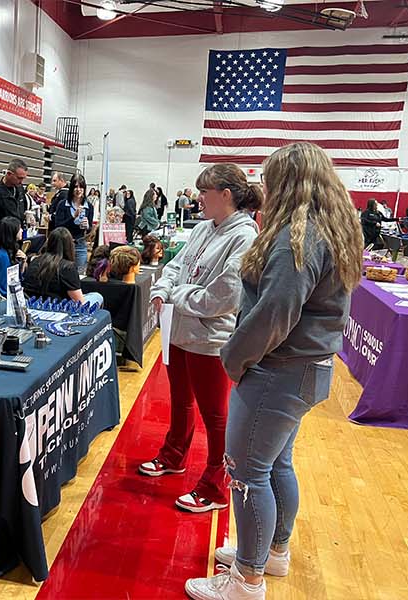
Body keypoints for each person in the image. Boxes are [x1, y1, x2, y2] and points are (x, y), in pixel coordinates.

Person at [186, 143, 362, 600]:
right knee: (276, 463)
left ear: (285, 183)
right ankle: (271, 551)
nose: (261, 188)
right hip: (305, 368)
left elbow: (273, 314)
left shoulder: (294, 237)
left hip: (277, 370)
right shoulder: (329, 230)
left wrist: (233, 358)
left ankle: (247, 578)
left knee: (247, 472)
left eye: (267, 180)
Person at [145, 163, 262, 515]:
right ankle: (173, 455)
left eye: (204, 192)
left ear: (225, 195)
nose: (198, 198)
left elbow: (224, 297)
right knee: (180, 401)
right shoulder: (202, 228)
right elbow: (174, 266)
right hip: (180, 330)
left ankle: (215, 485)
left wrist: (177, 295)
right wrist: (166, 288)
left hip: (211, 339)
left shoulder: (244, 236)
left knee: (216, 415)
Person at [22, 228, 93, 304]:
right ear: (69, 245)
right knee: (97, 296)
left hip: (33, 304)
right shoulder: (67, 267)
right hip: (57, 308)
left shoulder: (35, 261)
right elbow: (80, 302)